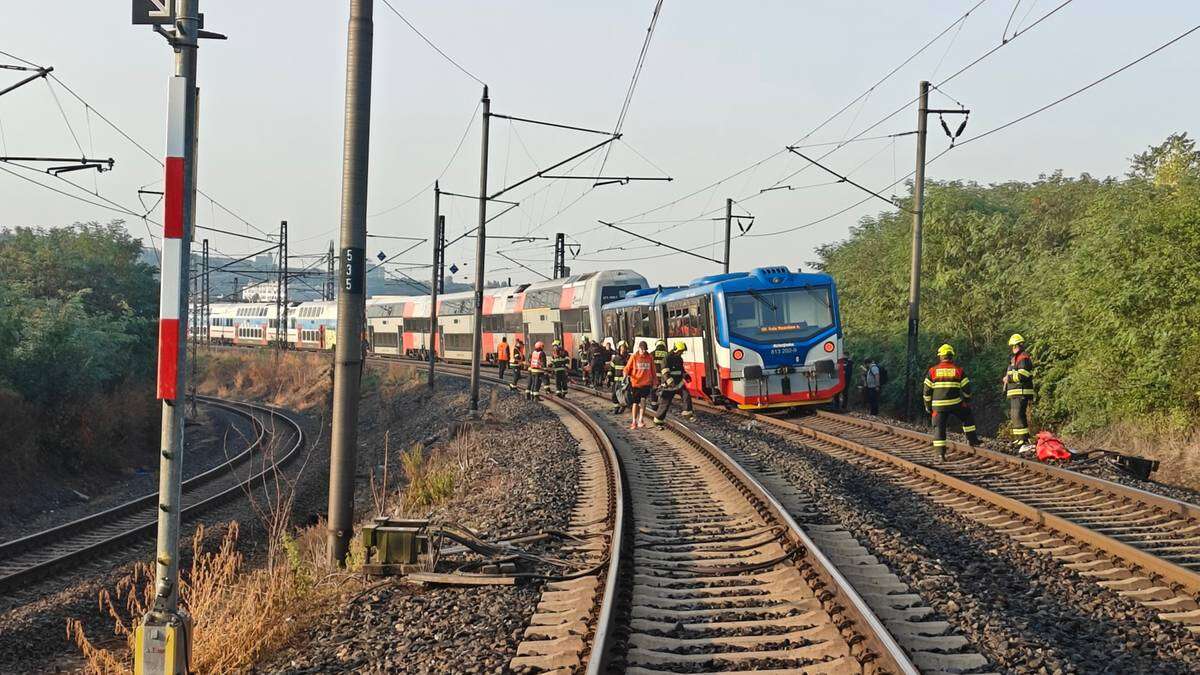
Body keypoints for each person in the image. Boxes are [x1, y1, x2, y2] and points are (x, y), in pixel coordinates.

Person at [922, 343, 979, 461]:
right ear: (951, 356)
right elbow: (967, 389)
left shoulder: (932, 371)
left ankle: (940, 454)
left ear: (940, 357)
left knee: (939, 428)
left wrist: (928, 407)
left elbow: (926, 392)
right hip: (955, 404)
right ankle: (973, 441)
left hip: (938, 407)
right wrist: (967, 401)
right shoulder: (958, 370)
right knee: (967, 415)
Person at [1003, 333, 1035, 447]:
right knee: (1014, 415)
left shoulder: (1023, 358)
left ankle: (1024, 439)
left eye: (1015, 346)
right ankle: (1018, 438)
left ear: (1020, 345)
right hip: (1015, 392)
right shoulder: (1014, 359)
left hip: (1021, 391)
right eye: (1012, 346)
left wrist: (1009, 378)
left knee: (1018, 415)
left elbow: (1024, 374)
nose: (1013, 348)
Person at [653, 341, 695, 425]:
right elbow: (664, 371)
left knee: (686, 395)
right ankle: (658, 420)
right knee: (665, 402)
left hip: (678, 383)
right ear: (676, 350)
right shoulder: (667, 358)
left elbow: (681, 370)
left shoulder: (679, 359)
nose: (681, 353)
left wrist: (686, 376)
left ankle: (687, 412)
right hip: (669, 385)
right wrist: (669, 381)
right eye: (681, 351)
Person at [624, 341, 655, 429]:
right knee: (635, 402)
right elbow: (627, 368)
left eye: (645, 350)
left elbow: (653, 371)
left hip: (646, 383)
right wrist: (625, 375)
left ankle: (640, 420)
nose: (643, 351)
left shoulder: (650, 357)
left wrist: (655, 382)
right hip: (636, 383)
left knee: (643, 401)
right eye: (642, 350)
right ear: (639, 348)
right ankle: (634, 421)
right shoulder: (634, 357)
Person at [609, 341, 629, 413]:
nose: (623, 349)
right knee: (614, 395)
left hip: (626, 382)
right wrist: (609, 378)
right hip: (617, 381)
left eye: (624, 348)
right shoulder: (615, 359)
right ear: (619, 348)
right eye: (622, 347)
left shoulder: (629, 358)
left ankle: (623, 405)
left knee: (624, 395)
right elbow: (611, 369)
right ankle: (616, 407)